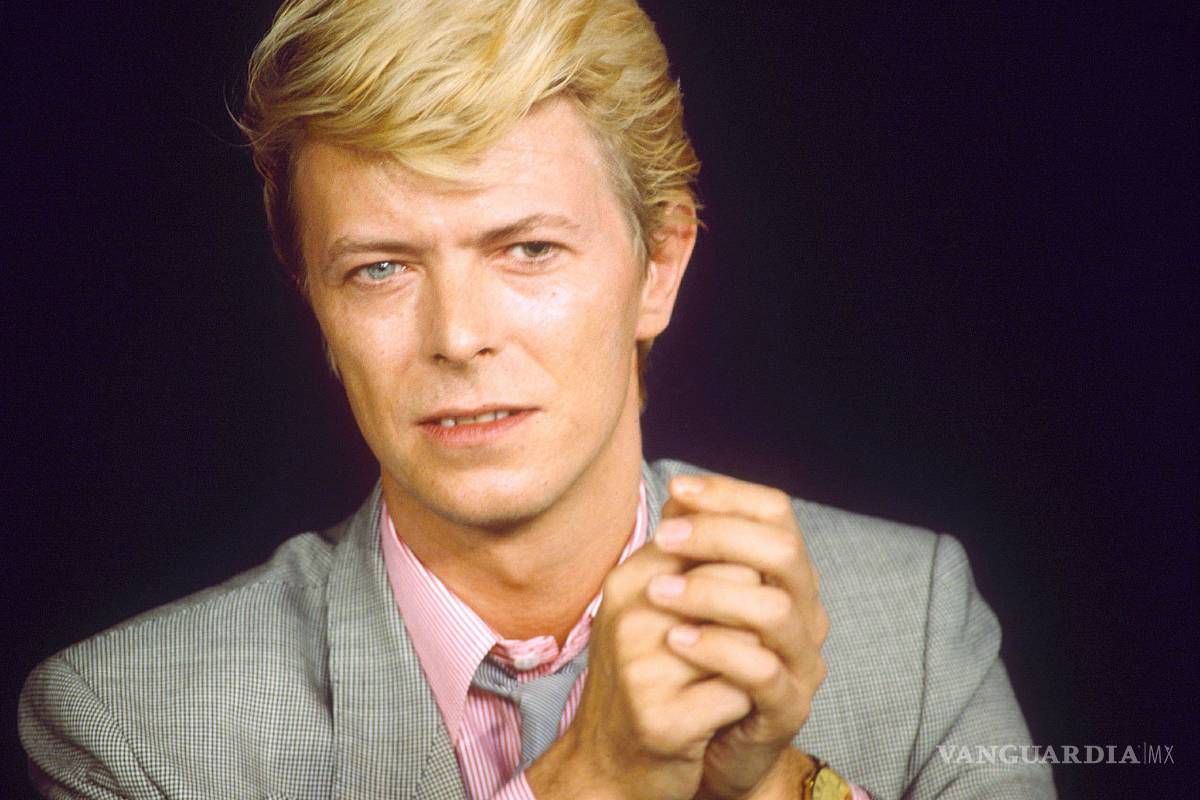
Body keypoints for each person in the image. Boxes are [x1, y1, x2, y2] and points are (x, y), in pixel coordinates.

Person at [18, 1, 1055, 798]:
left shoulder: (913, 616)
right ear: (318, 304)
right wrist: (594, 777)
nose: (458, 334)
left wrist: (774, 786)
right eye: (381, 268)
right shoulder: (132, 725)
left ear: (659, 267)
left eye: (528, 249)